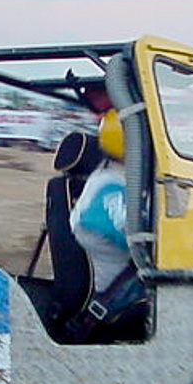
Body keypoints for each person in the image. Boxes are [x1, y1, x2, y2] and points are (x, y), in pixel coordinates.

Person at [66, 110, 146, 341]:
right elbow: (145, 244)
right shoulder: (108, 190)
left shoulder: (115, 181)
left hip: (126, 291)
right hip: (119, 303)